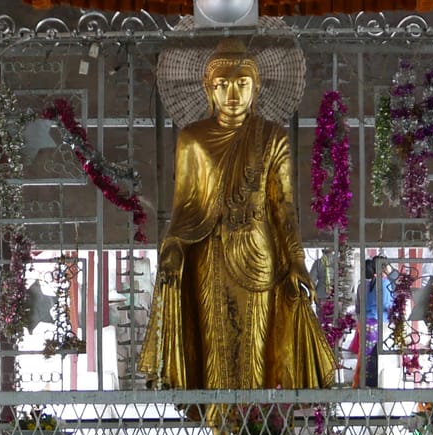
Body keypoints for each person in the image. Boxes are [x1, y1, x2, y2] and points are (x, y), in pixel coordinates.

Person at [138, 40, 335, 394]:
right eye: (222, 84)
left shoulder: (273, 137)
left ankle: (254, 431)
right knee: (215, 346)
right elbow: (185, 206)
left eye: (242, 83)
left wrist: (296, 261)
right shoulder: (193, 138)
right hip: (209, 254)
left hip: (259, 254)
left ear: (256, 88)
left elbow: (284, 207)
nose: (232, 92)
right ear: (208, 89)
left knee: (256, 347)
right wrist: (172, 247)